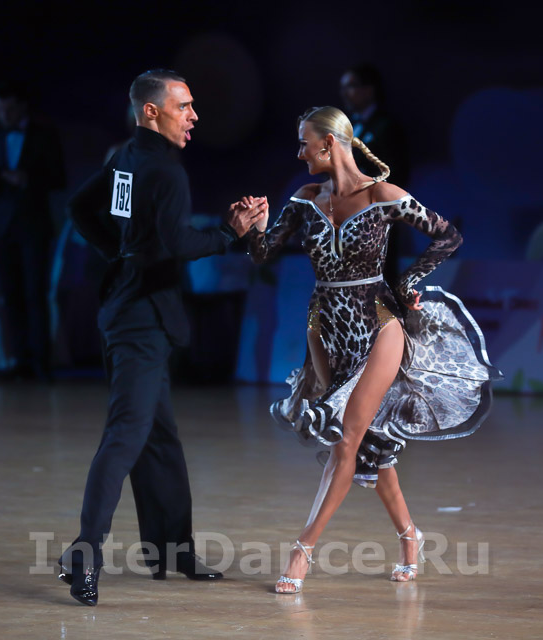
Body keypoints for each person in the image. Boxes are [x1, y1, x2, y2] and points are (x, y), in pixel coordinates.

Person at [244, 106, 500, 594]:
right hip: (326, 331)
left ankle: (302, 550)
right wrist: (251, 229)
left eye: (304, 143)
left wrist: (406, 283)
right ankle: (410, 537)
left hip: (379, 325)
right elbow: (262, 253)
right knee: (368, 446)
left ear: (328, 143)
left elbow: (448, 236)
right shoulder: (305, 199)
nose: (299, 153)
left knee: (346, 439)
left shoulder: (383, 196)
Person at [57, 69, 266, 606]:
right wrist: (230, 232)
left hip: (126, 308)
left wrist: (122, 253)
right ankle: (84, 552)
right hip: (142, 320)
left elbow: (83, 209)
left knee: (158, 436)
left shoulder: (125, 158)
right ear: (151, 111)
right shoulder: (166, 171)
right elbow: (178, 243)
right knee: (127, 434)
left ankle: (172, 549)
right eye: (183, 106)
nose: (194, 116)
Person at [0, 81, 66, 380]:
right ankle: (20, 360)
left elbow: (59, 178)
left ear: (23, 106)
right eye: (0, 110)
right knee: (11, 295)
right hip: (3, 228)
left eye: (9, 109)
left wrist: (27, 179)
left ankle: (41, 362)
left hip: (33, 225)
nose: (4, 115)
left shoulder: (44, 136)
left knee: (35, 294)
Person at [340, 64, 410, 285]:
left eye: (351, 86)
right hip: (347, 219)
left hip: (376, 218)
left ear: (369, 90)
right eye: (343, 87)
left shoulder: (386, 127)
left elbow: (395, 173)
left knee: (378, 281)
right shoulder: (347, 127)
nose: (345, 93)